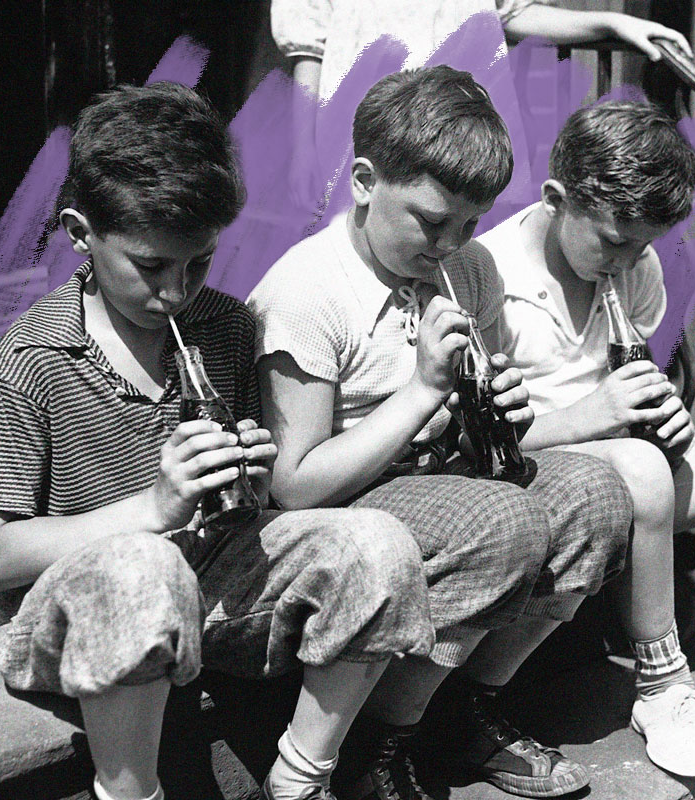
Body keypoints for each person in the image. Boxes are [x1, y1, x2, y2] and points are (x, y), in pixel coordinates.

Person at [0, 82, 442, 800]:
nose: (176, 291)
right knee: (141, 568)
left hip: (207, 587)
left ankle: (303, 777)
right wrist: (154, 506)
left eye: (199, 263)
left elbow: (245, 513)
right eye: (151, 266)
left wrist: (247, 475)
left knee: (379, 542)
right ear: (79, 232)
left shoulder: (225, 328)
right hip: (77, 611)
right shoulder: (38, 355)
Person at [248, 66, 634, 800]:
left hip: (436, 487)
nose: (450, 243)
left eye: (471, 224)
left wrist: (496, 416)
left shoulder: (468, 270)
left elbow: (474, 444)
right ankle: (378, 741)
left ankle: (462, 709)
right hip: (342, 512)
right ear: (365, 181)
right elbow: (293, 487)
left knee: (595, 495)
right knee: (505, 519)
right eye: (432, 221)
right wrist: (424, 389)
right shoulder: (308, 290)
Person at [477, 100, 695, 800]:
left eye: (642, 245)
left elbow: (629, 393)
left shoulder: (633, 270)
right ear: (557, 201)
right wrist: (593, 416)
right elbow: (477, 446)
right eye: (613, 242)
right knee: (639, 466)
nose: (627, 261)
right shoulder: (487, 273)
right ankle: (663, 683)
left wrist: (660, 413)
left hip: (629, 473)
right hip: (534, 485)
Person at [271, 0, 692, 210]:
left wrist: (614, 22)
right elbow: (309, 49)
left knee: (460, 248)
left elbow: (510, 12)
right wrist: (305, 149)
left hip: (464, 122)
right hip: (371, 122)